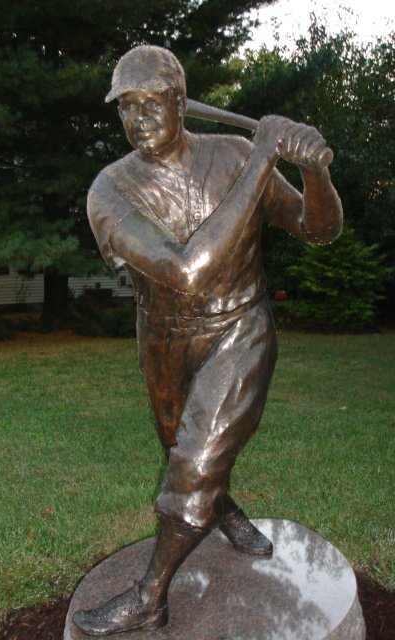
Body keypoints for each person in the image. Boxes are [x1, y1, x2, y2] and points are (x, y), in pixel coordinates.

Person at [73, 45, 343, 636]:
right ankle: (222, 508)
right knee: (184, 453)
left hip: (240, 328)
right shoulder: (109, 190)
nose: (139, 118)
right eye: (127, 107)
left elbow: (318, 228)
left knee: (195, 463)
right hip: (164, 340)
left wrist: (313, 172)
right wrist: (264, 157)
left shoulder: (233, 155)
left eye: (152, 103)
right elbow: (186, 270)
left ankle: (150, 596)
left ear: (181, 102)